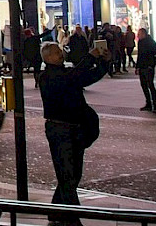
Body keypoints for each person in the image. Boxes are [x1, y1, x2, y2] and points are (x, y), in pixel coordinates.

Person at [39, 40, 110, 226]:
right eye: (55, 52)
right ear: (47, 58)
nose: (60, 54)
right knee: (68, 176)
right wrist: (90, 57)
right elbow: (71, 79)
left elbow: (87, 77)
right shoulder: (47, 76)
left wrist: (103, 63)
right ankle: (72, 219)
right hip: (60, 129)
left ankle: (56, 211)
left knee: (72, 174)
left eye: (59, 51)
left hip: (75, 128)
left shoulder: (64, 72)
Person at [135, 27, 156, 113]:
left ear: (144, 34)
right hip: (142, 67)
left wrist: (152, 64)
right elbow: (139, 55)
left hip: (148, 67)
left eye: (140, 34)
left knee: (150, 85)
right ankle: (148, 103)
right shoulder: (140, 42)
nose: (138, 35)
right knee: (144, 85)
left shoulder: (150, 42)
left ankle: (155, 104)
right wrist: (137, 67)